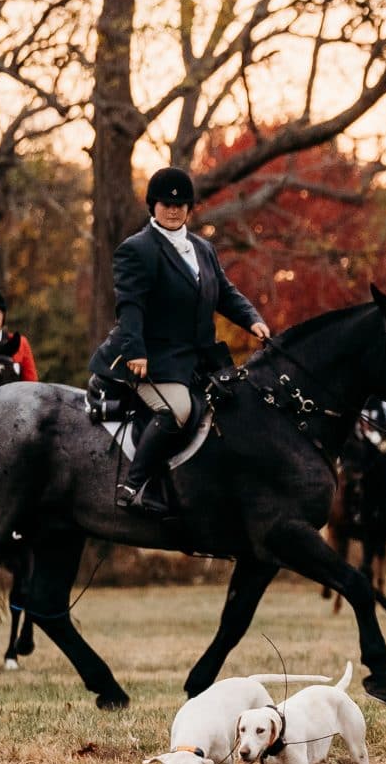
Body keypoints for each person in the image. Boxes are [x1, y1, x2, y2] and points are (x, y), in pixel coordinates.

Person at [87, 166, 270, 516]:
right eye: (165, 204)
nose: (173, 210)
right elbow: (130, 306)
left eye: (181, 205)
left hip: (194, 359)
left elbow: (225, 293)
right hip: (148, 357)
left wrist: (252, 320)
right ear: (153, 206)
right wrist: (135, 352)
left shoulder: (203, 248)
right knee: (178, 410)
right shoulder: (137, 249)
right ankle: (134, 484)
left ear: (189, 208)